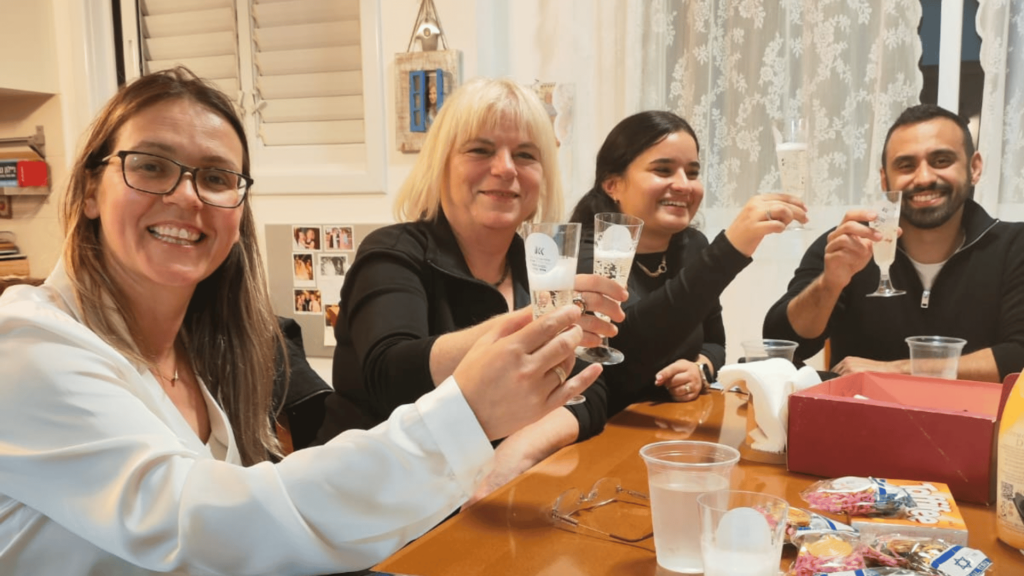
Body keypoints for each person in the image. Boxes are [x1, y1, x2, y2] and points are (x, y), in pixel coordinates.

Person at [0, 67, 601, 576]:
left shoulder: (200, 349)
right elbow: (203, 524)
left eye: (216, 177)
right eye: (152, 166)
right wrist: (466, 413)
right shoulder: (25, 344)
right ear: (88, 190)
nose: (187, 196)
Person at [319, 77, 628, 496]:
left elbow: (589, 388)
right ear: (440, 164)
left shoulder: (535, 264)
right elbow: (390, 374)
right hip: (378, 498)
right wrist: (538, 323)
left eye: (525, 155)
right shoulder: (392, 251)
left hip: (487, 495)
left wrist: (513, 455)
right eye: (480, 150)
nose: (505, 168)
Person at [763, 104, 1024, 382]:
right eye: (906, 165)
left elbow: (1018, 356)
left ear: (974, 168)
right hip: (860, 410)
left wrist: (895, 371)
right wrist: (830, 283)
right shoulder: (850, 243)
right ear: (885, 179)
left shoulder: (1014, 246)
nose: (924, 178)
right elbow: (783, 344)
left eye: (941, 160)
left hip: (979, 411)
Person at [569, 110, 807, 413]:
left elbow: (714, 343)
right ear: (612, 184)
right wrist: (729, 250)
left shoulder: (692, 245)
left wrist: (700, 369)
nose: (684, 185)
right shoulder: (588, 253)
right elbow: (626, 345)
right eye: (663, 170)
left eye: (692, 173)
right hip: (608, 425)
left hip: (676, 422)